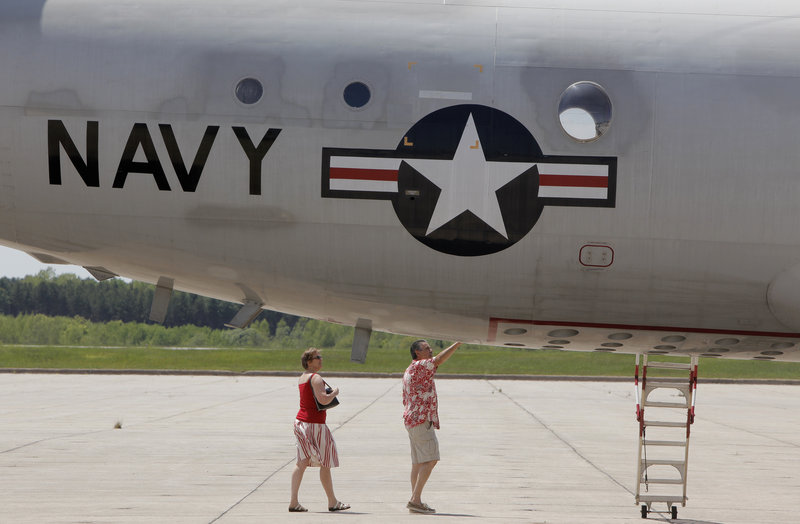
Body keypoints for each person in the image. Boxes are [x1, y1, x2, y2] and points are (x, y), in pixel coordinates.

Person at [402, 339, 461, 514]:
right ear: (417, 353)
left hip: (412, 420)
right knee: (431, 459)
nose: (430, 350)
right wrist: (457, 343)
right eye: (426, 348)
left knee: (418, 463)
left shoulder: (410, 369)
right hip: (420, 420)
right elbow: (439, 360)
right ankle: (415, 499)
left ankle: (416, 500)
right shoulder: (420, 366)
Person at [289, 347, 350, 513]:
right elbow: (323, 400)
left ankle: (294, 501)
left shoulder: (303, 378)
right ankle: (332, 502)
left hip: (301, 422)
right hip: (314, 425)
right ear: (309, 362)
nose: (321, 359)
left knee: (301, 462)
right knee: (326, 462)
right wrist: (334, 393)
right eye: (317, 357)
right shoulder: (316, 378)